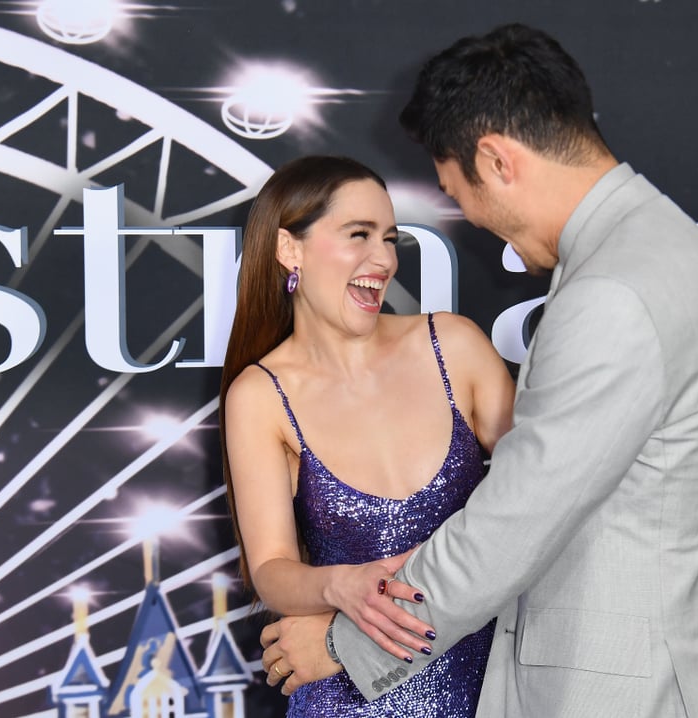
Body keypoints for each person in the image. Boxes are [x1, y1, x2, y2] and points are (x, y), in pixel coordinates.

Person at [258, 23, 698, 718]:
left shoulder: (612, 293)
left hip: (616, 696)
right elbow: (594, 468)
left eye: (459, 191)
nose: (471, 219)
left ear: (498, 159)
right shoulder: (663, 247)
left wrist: (346, 643)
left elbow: (516, 520)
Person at [219, 154, 517, 716]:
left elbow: (558, 485)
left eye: (390, 238)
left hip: (486, 689)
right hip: (344, 700)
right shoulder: (260, 395)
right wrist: (339, 586)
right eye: (358, 235)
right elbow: (273, 569)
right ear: (290, 249)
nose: (382, 259)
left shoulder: (453, 346)